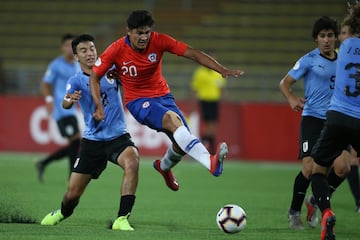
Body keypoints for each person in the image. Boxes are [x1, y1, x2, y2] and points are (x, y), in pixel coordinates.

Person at [89, 10, 244, 191]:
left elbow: (192, 53)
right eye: (139, 32)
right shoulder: (116, 49)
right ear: (128, 31)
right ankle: (211, 162)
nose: (144, 37)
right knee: (172, 120)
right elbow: (94, 76)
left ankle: (163, 168)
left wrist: (221, 70)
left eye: (147, 32)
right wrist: (98, 105)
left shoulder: (159, 40)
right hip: (138, 101)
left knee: (182, 141)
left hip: (164, 97)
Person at [40, 34, 139, 231]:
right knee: (72, 195)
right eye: (83, 51)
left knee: (132, 160)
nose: (89, 53)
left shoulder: (112, 71)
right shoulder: (75, 80)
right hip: (92, 142)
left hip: (117, 137)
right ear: (76, 57)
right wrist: (70, 99)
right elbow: (66, 102)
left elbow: (132, 77)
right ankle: (62, 213)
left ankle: (121, 218)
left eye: (92, 49)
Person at [279, 16, 351, 230]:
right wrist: (292, 98)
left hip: (337, 120)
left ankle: (317, 200)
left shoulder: (345, 61)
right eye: (322, 36)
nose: (326, 40)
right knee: (309, 169)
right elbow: (285, 83)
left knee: (343, 168)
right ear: (316, 39)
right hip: (312, 119)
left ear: (336, 38)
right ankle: (294, 211)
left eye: (330, 35)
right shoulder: (309, 60)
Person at [310, 3, 360, 239]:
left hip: (338, 116)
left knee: (318, 170)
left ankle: (326, 211)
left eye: (342, 32)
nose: (339, 36)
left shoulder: (346, 48)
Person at [35, 33, 81, 182]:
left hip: (71, 108)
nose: (70, 48)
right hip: (61, 109)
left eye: (72, 45)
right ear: (62, 47)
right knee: (76, 141)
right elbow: (44, 83)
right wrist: (49, 100)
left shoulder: (77, 64)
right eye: (67, 45)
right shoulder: (56, 64)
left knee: (74, 144)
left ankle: (43, 163)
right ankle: (71, 177)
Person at [338, 21, 360, 213]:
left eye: (347, 33)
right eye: (342, 33)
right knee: (346, 163)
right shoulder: (335, 57)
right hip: (342, 114)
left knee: (347, 164)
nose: (343, 37)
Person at [191, 65, 226, 154]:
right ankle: (207, 147)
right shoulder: (200, 72)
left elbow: (221, 87)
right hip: (205, 100)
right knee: (210, 125)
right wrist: (194, 101)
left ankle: (208, 146)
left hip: (215, 101)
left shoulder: (217, 73)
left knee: (212, 125)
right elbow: (195, 87)